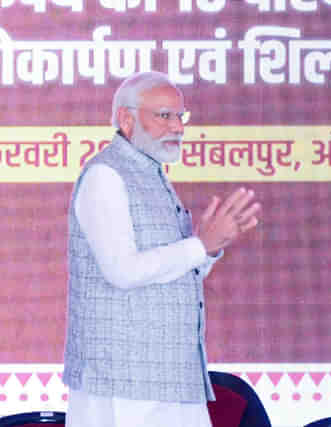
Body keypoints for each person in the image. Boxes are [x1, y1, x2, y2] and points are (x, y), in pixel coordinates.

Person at [62, 71, 261, 427]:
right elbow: (123, 271)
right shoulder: (105, 176)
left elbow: (174, 270)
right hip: (122, 382)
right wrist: (200, 245)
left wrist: (210, 249)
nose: (177, 127)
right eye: (164, 115)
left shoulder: (152, 175)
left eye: (180, 116)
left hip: (171, 376)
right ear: (126, 119)